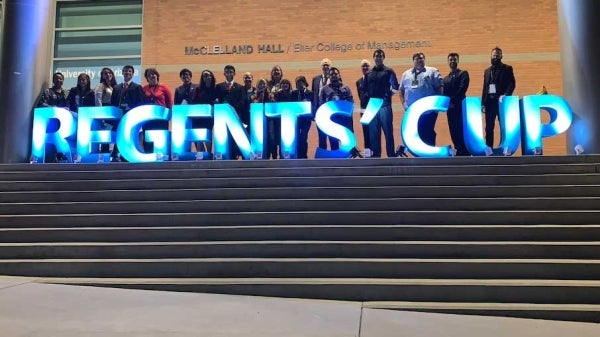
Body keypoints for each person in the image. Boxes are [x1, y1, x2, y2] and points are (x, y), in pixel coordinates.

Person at [400, 52, 443, 147]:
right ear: (413, 61)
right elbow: (401, 90)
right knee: (416, 133)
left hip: (429, 110)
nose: (420, 60)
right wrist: (404, 104)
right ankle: (418, 156)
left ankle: (429, 156)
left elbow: (439, 87)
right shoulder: (406, 74)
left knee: (428, 132)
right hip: (412, 111)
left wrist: (436, 106)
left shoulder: (432, 71)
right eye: (417, 59)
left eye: (421, 58)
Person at [364, 49, 400, 158]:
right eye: (376, 56)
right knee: (374, 133)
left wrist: (388, 95)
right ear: (373, 58)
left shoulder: (389, 71)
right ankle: (376, 155)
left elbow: (395, 87)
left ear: (383, 58)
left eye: (380, 56)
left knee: (388, 131)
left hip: (385, 106)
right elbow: (365, 89)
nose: (378, 58)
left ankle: (391, 155)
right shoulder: (369, 73)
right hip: (372, 106)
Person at [481, 46, 516, 148]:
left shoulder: (507, 68)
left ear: (501, 56)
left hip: (501, 102)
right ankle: (489, 148)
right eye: (494, 55)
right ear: (490, 56)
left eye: (497, 55)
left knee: (503, 126)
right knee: (488, 127)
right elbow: (485, 87)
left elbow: (512, 83)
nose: (495, 57)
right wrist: (483, 103)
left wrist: (506, 94)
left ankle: (505, 147)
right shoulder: (487, 71)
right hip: (490, 103)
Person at [110, 65, 144, 161]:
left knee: (130, 135)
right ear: (122, 73)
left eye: (129, 71)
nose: (127, 72)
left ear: (132, 74)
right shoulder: (117, 87)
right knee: (119, 135)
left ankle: (129, 155)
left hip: (131, 116)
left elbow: (140, 102)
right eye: (125, 71)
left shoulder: (137, 87)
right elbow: (113, 103)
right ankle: (116, 154)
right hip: (120, 116)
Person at [216, 65, 247, 159]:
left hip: (235, 116)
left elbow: (243, 101)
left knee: (235, 138)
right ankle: (224, 156)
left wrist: (232, 110)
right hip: (222, 119)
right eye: (227, 72)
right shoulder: (219, 87)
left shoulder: (240, 87)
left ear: (234, 73)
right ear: (224, 73)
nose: (229, 73)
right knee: (223, 137)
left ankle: (235, 156)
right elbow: (216, 100)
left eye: (231, 72)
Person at [319, 67, 354, 150]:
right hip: (332, 120)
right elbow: (321, 103)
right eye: (331, 74)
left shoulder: (346, 88)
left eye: (335, 74)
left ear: (339, 75)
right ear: (328, 76)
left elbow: (351, 102)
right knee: (334, 143)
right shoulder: (324, 89)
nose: (334, 75)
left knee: (347, 142)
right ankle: (337, 161)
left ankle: (349, 161)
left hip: (345, 119)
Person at [442, 53, 470, 156]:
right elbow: (444, 94)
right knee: (453, 129)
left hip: (460, 107)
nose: (452, 61)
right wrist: (447, 104)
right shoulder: (445, 79)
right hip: (450, 109)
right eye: (450, 60)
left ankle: (465, 151)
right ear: (448, 62)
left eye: (454, 59)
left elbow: (462, 89)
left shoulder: (463, 74)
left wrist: (453, 101)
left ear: (458, 61)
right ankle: (458, 149)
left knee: (462, 128)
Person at [38, 72, 69, 162]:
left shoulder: (66, 93)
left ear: (63, 80)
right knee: (52, 138)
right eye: (56, 78)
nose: (58, 80)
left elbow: (69, 104)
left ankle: (61, 156)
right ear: (53, 80)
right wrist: (54, 108)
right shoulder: (48, 91)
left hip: (64, 120)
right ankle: (50, 158)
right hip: (52, 119)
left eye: (60, 78)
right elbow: (42, 103)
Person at [141, 67, 173, 154]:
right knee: (147, 137)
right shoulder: (143, 89)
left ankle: (162, 155)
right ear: (147, 78)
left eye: (153, 74)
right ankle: (148, 155)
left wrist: (168, 115)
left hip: (161, 118)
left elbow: (169, 103)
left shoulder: (164, 88)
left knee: (161, 137)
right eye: (149, 75)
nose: (152, 76)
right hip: (148, 118)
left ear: (157, 76)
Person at [312, 58, 337, 150]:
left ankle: (335, 156)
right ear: (321, 67)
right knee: (321, 136)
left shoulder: (335, 78)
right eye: (324, 65)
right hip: (319, 112)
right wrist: (314, 112)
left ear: (330, 67)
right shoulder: (316, 79)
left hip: (331, 112)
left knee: (333, 136)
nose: (325, 67)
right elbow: (314, 96)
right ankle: (323, 158)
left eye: (327, 65)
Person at [191, 70, 219, 153]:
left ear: (212, 77)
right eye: (204, 76)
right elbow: (193, 102)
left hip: (209, 117)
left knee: (208, 134)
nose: (207, 77)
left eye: (208, 75)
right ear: (202, 78)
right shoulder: (198, 89)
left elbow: (217, 101)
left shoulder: (216, 89)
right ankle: (201, 154)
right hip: (199, 117)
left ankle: (209, 153)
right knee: (199, 136)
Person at [94, 67, 118, 155]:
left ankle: (115, 153)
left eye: (109, 73)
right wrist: (101, 117)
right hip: (105, 112)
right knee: (105, 136)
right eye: (105, 73)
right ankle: (104, 156)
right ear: (102, 76)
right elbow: (98, 101)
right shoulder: (100, 86)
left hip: (114, 114)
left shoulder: (114, 86)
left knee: (115, 134)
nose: (108, 75)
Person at [292, 76, 313, 159]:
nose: (299, 85)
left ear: (305, 83)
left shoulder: (310, 93)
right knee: (296, 137)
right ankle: (297, 155)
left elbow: (313, 105)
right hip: (296, 120)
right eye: (297, 83)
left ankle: (303, 156)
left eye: (301, 83)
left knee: (303, 137)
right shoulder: (294, 93)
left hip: (306, 120)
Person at [356, 59, 371, 154]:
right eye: (363, 66)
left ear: (370, 67)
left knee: (374, 132)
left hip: (373, 110)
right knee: (366, 132)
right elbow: (360, 96)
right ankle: (367, 154)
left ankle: (376, 154)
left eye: (366, 66)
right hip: (363, 111)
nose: (365, 68)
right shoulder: (358, 82)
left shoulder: (374, 80)